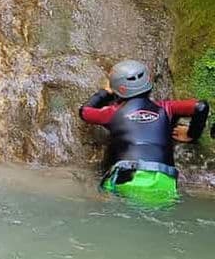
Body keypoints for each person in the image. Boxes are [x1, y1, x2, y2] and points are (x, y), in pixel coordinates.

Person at [79, 59, 209, 206]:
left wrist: (105, 92)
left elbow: (84, 112)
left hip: (126, 177)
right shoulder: (167, 108)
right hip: (163, 180)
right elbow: (201, 106)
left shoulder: (112, 113)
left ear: (118, 90)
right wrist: (191, 134)